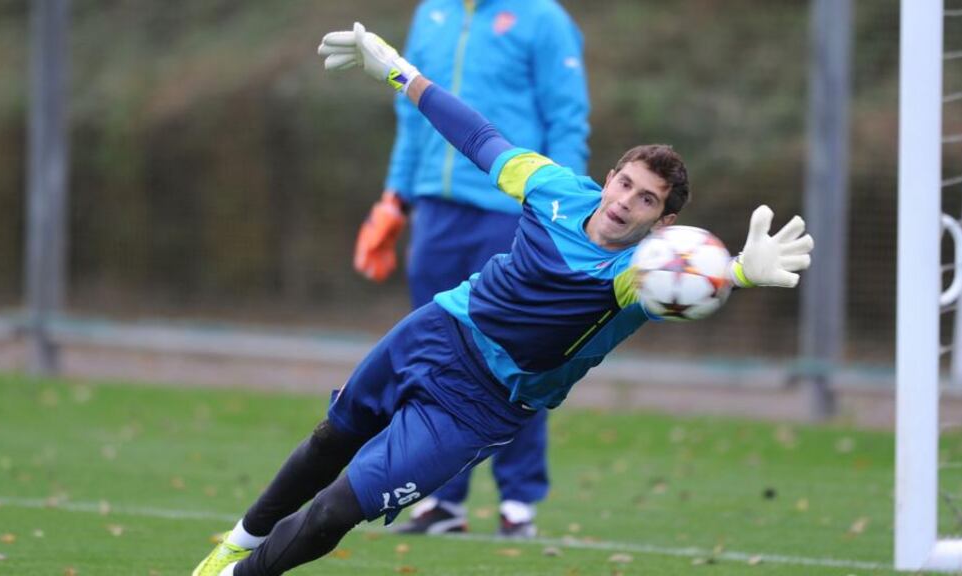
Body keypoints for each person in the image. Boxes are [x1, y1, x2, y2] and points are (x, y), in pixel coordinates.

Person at [192, 22, 814, 576]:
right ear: (608, 177)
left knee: (334, 510)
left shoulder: (639, 275)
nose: (625, 200)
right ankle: (238, 542)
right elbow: (475, 134)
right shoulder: (553, 188)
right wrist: (398, 71)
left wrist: (740, 273)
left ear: (662, 221)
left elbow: (690, 283)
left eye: (646, 199)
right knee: (333, 436)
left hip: (481, 405)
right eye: (624, 183)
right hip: (438, 329)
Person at [354, 0, 590, 538]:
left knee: (516, 358)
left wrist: (569, 215)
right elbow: (409, 112)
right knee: (432, 360)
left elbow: (566, 119)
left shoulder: (543, 19)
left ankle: (519, 502)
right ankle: (439, 501)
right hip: (436, 213)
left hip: (513, 214)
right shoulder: (430, 14)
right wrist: (395, 197)